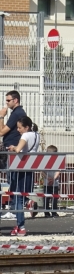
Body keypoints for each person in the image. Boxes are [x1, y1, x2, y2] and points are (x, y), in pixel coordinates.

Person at [7, 117, 40, 236]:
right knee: (22, 194)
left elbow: (18, 149)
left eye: (20, 127)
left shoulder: (25, 136)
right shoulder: (37, 135)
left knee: (17, 197)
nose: (18, 130)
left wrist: (13, 148)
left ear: (27, 127)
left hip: (20, 168)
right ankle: (26, 205)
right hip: (30, 169)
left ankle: (21, 226)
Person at [0, 91, 27, 219]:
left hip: (12, 150)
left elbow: (1, 131)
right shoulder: (17, 113)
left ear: (15, 100)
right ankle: (15, 207)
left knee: (14, 180)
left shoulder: (17, 113)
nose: (7, 103)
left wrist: (1, 117)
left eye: (8, 100)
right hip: (12, 149)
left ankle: (15, 208)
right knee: (13, 180)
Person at [43, 144, 60, 218]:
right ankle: (52, 212)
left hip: (49, 182)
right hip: (53, 182)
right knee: (52, 198)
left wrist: (48, 178)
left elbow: (42, 171)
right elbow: (58, 171)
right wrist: (53, 179)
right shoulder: (57, 160)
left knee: (49, 198)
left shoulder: (44, 160)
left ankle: (48, 213)